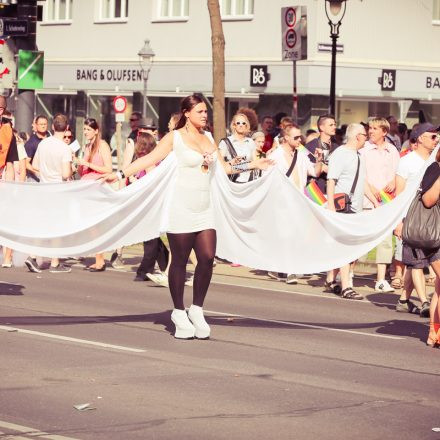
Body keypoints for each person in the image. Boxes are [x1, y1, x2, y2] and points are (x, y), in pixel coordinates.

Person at [101, 94, 272, 339]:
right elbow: (151, 158)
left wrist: (255, 165)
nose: (205, 115)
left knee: (207, 257)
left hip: (205, 209)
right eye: (201, 111)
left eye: (206, 111)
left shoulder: (209, 138)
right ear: (187, 113)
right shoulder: (175, 137)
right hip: (180, 208)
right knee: (180, 261)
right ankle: (179, 311)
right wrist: (119, 175)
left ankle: (197, 308)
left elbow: (224, 168)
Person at [326, 123, 379, 299]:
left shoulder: (358, 156)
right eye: (365, 134)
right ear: (357, 136)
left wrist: (374, 201)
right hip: (342, 207)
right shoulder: (340, 154)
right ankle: (346, 286)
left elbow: (362, 181)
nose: (367, 137)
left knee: (348, 246)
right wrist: (331, 207)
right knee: (346, 247)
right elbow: (331, 180)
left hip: (354, 208)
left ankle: (330, 279)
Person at [267, 124, 324, 284]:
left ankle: (279, 267)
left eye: (300, 137)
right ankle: (290, 270)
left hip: (300, 201)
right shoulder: (276, 156)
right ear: (285, 138)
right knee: (288, 235)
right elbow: (268, 180)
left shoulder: (301, 155)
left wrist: (319, 160)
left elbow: (315, 172)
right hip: (282, 203)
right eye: (296, 137)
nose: (300, 140)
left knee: (296, 235)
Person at [394, 123, 438, 317]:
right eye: (433, 137)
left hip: (429, 220)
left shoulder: (433, 160)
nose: (436, 140)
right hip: (412, 220)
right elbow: (399, 194)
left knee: (415, 262)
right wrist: (399, 222)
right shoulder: (407, 162)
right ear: (420, 138)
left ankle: (404, 298)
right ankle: (425, 301)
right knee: (416, 264)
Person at [27, 113, 73, 273]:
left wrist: (46, 173)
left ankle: (32, 256)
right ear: (66, 128)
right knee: (57, 227)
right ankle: (54, 262)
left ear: (53, 127)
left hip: (43, 188)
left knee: (41, 224)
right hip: (58, 191)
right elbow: (66, 174)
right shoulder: (65, 148)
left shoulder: (44, 143)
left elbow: (35, 164)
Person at [361, 117, 400, 293]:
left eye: (375, 128)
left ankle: (381, 279)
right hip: (366, 199)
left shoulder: (392, 150)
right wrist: (371, 188)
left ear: (384, 131)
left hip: (386, 202)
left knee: (385, 241)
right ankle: (347, 273)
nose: (371, 131)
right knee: (360, 238)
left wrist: (392, 180)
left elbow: (397, 172)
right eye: (370, 128)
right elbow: (361, 174)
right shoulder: (364, 150)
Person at [409, 153, 440, 347]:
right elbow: (428, 201)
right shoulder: (435, 169)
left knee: (439, 287)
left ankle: (433, 333)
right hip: (436, 237)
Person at [132, 132, 170, 282]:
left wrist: (135, 181)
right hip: (149, 204)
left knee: (149, 238)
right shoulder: (147, 161)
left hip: (151, 205)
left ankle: (143, 271)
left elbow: (150, 184)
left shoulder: (149, 163)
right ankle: (166, 264)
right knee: (154, 238)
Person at [77, 117, 112, 272]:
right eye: (84, 129)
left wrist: (88, 164)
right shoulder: (87, 146)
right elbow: (82, 171)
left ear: (96, 131)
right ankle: (98, 257)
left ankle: (100, 260)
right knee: (90, 225)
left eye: (89, 129)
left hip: (97, 187)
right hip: (86, 187)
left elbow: (108, 169)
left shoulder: (102, 145)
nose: (86, 132)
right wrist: (77, 165)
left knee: (95, 225)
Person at [219, 113, 257, 183]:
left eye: (243, 123)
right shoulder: (225, 142)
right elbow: (220, 164)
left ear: (246, 126)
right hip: (232, 182)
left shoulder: (251, 141)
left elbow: (255, 162)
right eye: (238, 123)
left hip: (249, 182)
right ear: (234, 125)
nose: (241, 125)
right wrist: (232, 162)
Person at [305, 114, 338, 193]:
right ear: (321, 127)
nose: (334, 127)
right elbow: (304, 168)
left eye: (334, 124)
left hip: (332, 189)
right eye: (331, 125)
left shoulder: (337, 147)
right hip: (314, 190)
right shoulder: (311, 146)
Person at [25, 115, 50, 182]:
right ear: (36, 125)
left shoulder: (51, 139)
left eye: (45, 124)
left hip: (49, 178)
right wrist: (38, 173)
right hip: (35, 180)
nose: (43, 126)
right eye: (41, 124)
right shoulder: (31, 142)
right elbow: (26, 163)